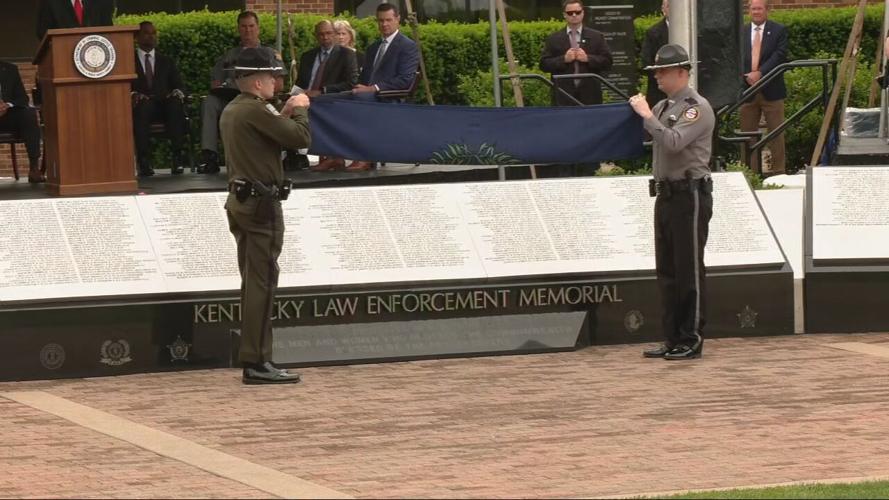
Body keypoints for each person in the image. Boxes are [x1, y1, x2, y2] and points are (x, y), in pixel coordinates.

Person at [220, 48, 311, 385]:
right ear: (258, 82)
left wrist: (284, 111)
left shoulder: (237, 109)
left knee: (253, 282)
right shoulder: (255, 110)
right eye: (273, 77)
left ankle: (255, 357)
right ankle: (258, 361)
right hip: (261, 206)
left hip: (243, 202)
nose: (277, 82)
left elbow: (269, 136)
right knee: (262, 284)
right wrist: (300, 111)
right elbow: (300, 138)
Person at [629, 44, 715, 361]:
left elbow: (675, 142)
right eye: (656, 73)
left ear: (682, 72)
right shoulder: (665, 106)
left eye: (663, 72)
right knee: (667, 269)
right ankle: (672, 336)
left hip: (689, 193)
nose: (658, 78)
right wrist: (651, 116)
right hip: (666, 193)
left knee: (688, 268)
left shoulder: (696, 107)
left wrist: (647, 116)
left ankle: (691, 337)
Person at [199, 11, 279, 174]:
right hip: (230, 99)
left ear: (258, 28)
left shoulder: (270, 54)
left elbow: (279, 83)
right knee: (209, 102)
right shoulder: (230, 54)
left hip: (257, 100)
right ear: (238, 29)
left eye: (251, 26)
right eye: (243, 26)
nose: (247, 30)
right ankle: (210, 156)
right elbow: (215, 80)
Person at [297, 20, 358, 172]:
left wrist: (322, 90)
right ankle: (294, 157)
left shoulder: (346, 55)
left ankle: (333, 158)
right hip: (306, 97)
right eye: (321, 34)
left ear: (335, 35)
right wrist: (294, 94)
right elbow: (300, 82)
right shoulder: (308, 56)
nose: (325, 37)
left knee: (320, 109)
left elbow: (350, 83)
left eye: (329, 33)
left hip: (332, 99)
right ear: (316, 36)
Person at [131, 21, 188, 178]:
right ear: (136, 37)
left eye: (153, 33)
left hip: (164, 105)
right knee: (142, 107)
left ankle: (177, 158)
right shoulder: (129, 61)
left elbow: (180, 86)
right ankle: (144, 161)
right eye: (146, 33)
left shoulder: (166, 61)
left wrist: (176, 93)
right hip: (143, 106)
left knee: (175, 105)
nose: (151, 36)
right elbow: (125, 88)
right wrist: (134, 95)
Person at [740, 0, 787, 177]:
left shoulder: (778, 30)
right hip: (747, 91)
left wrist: (760, 73)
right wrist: (746, 75)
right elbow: (734, 55)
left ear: (767, 10)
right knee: (747, 136)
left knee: (776, 133)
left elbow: (780, 55)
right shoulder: (741, 31)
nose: (756, 12)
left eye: (759, 8)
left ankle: (778, 173)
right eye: (753, 8)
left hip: (771, 90)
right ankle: (749, 174)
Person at [539, 0, 613, 107]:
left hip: (590, 95)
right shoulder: (553, 38)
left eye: (577, 12)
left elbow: (608, 62)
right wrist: (563, 59)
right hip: (563, 94)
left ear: (583, 13)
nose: (574, 15)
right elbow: (544, 64)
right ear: (564, 15)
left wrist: (588, 58)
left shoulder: (597, 37)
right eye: (570, 13)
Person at [0, 61, 43, 183]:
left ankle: (34, 168)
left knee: (29, 114)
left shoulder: (9, 69)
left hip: (7, 115)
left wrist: (7, 105)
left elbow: (23, 98)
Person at [36, 0, 114, 40]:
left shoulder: (101, 2)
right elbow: (43, 33)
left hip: (97, 56)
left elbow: (108, 31)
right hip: (62, 59)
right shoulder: (49, 2)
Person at [641, 0, 669, 108]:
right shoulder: (652, 33)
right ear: (663, 9)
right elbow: (646, 62)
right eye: (669, 6)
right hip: (659, 93)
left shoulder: (693, 30)